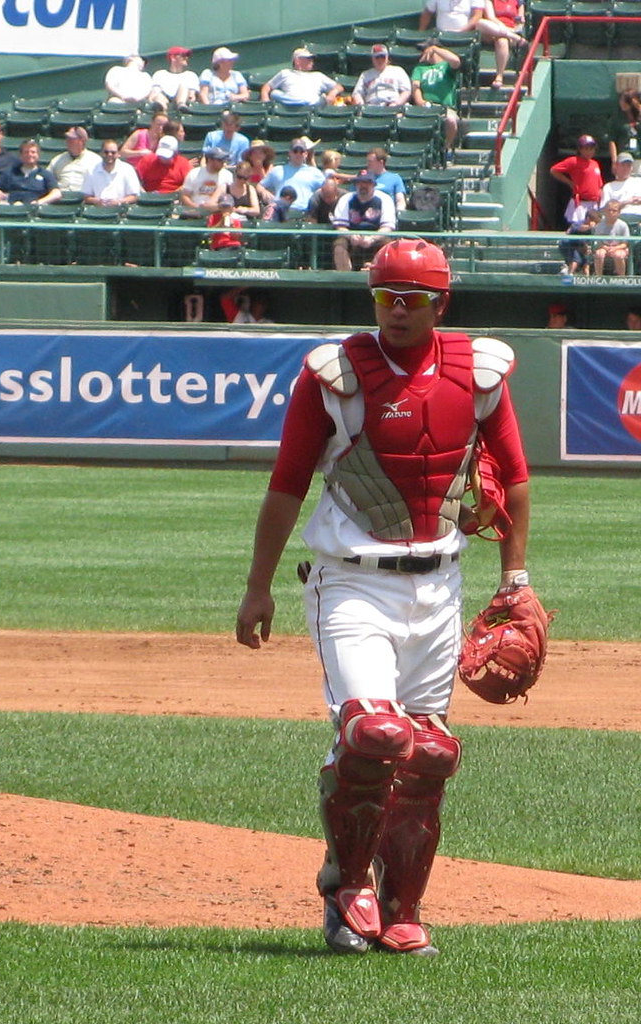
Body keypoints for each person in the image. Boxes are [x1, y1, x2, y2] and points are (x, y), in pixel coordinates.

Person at [236, 237, 532, 957]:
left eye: (413, 299)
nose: (397, 311)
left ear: (441, 303)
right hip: (352, 581)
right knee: (375, 734)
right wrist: (257, 587)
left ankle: (405, 906)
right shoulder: (335, 375)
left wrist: (515, 580)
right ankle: (347, 885)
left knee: (428, 752)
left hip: (441, 580)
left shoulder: (481, 371)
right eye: (385, 298)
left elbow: (516, 477)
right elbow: (287, 483)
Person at [420, 1, 525, 90]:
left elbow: (476, 17)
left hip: (467, 35)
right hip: (442, 37)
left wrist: (461, 31)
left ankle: (499, 75)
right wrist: (420, 33)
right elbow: (427, 13)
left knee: (488, 29)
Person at [332, 169, 396, 271]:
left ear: (373, 185)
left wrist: (372, 238)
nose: (363, 186)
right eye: (360, 182)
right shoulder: (346, 199)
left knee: (387, 244)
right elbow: (340, 227)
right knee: (339, 244)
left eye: (367, 182)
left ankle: (377, 273)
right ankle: (345, 277)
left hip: (376, 236)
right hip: (352, 237)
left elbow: (387, 228)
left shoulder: (384, 199)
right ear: (356, 184)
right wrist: (351, 236)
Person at [411, 42, 462, 153]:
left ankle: (446, 148)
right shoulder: (420, 68)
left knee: (451, 121)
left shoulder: (446, 66)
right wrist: (420, 102)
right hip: (426, 106)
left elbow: (456, 61)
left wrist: (435, 48)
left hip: (444, 107)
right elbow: (416, 87)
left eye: (425, 50)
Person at [260, 47, 344, 108]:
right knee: (274, 93)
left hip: (312, 104)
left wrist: (333, 93)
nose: (311, 61)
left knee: (322, 99)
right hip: (290, 103)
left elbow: (339, 87)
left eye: (311, 59)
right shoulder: (285, 73)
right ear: (297, 61)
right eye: (308, 59)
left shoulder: (318, 75)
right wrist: (265, 99)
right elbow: (267, 86)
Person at [260, 136, 325, 212]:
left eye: (301, 151)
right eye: (295, 151)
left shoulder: (315, 172)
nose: (298, 154)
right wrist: (263, 191)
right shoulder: (277, 170)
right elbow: (260, 185)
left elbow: (326, 188)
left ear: (306, 154)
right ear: (290, 153)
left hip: (304, 212)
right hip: (280, 212)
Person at [0, 139, 61, 205]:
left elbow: (57, 193)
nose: (30, 155)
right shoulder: (10, 172)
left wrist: (39, 202)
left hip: (34, 209)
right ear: (21, 155)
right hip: (12, 207)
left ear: (38, 155)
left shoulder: (45, 174)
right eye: (26, 152)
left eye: (33, 152)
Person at [550, 135, 603, 226]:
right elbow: (554, 170)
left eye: (591, 149)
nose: (589, 151)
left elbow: (599, 184)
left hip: (594, 203)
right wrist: (569, 182)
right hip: (581, 202)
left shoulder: (595, 163)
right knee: (578, 227)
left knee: (594, 228)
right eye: (586, 149)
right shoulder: (573, 161)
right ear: (580, 149)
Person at [81, 140, 141, 207]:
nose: (109, 155)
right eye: (106, 152)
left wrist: (119, 202)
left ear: (118, 154)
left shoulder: (128, 169)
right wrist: (97, 201)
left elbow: (134, 196)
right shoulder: (91, 170)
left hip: (121, 210)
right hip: (98, 210)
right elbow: (86, 196)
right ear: (101, 153)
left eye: (113, 152)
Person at [47, 127, 102, 194]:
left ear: (82, 141)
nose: (68, 141)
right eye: (67, 138)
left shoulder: (95, 160)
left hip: (83, 199)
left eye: (71, 139)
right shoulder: (58, 159)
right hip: (61, 197)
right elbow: (46, 178)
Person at [484, 1, 527, 88]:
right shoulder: (489, 1)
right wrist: (503, 28)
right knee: (501, 39)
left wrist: (518, 24)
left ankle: (499, 76)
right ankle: (499, 77)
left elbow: (520, 20)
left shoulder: (518, 2)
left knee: (502, 40)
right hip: (494, 30)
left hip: (513, 32)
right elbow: (490, 17)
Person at [180, 146, 233, 214]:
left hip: (219, 212)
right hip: (196, 210)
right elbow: (185, 196)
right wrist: (196, 208)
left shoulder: (228, 175)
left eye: (224, 160)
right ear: (210, 160)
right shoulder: (194, 173)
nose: (223, 162)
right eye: (220, 160)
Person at [592, 201, 631, 276]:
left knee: (618, 255)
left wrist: (615, 248)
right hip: (604, 247)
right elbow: (598, 242)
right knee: (599, 254)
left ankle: (621, 278)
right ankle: (599, 277)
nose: (611, 213)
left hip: (619, 247)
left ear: (619, 212)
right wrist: (606, 248)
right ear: (605, 211)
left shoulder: (623, 225)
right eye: (609, 210)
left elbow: (625, 244)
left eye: (614, 211)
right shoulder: (599, 225)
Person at [559, 207, 600, 275]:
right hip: (569, 246)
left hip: (580, 247)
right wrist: (589, 226)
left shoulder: (592, 230)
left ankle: (587, 278)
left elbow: (586, 241)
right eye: (595, 221)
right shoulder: (577, 224)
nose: (596, 224)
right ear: (588, 219)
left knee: (586, 262)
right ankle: (570, 275)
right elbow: (580, 228)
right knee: (575, 260)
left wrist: (587, 248)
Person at [366, 148, 408, 212]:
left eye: (370, 161)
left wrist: (397, 213)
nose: (368, 164)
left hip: (387, 212)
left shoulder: (395, 178)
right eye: (367, 161)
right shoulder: (362, 178)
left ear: (381, 162)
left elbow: (400, 201)